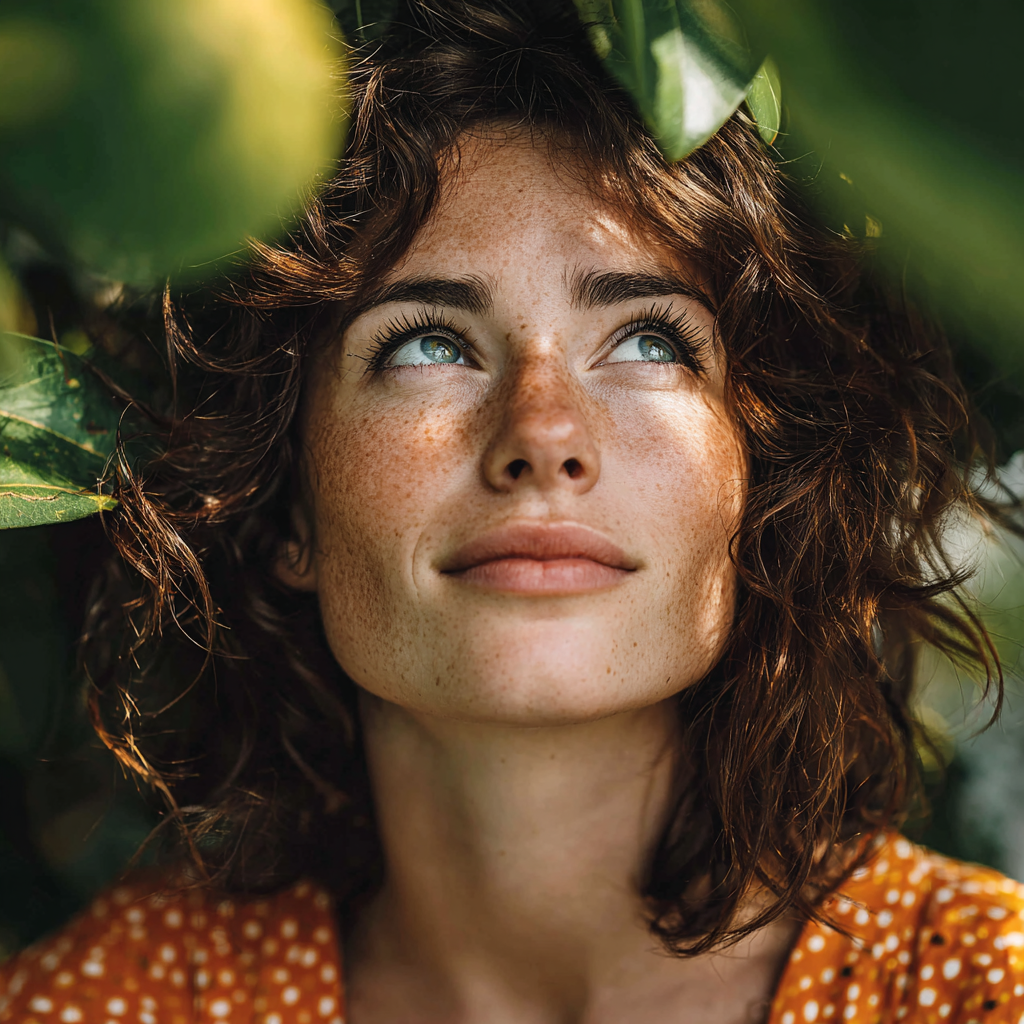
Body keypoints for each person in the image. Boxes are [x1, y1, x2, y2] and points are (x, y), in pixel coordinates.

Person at [2, 2, 1023, 1022]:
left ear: (754, 484)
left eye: (648, 341)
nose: (542, 433)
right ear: (286, 504)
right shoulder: (107, 1002)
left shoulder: (989, 986)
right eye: (427, 346)